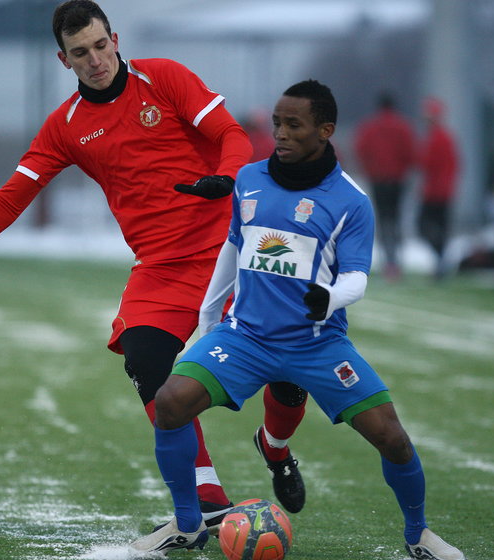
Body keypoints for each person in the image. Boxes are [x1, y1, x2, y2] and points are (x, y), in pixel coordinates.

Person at [0, 0, 307, 531]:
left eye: (101, 46)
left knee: (289, 373)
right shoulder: (66, 128)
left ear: (116, 40)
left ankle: (276, 446)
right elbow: (11, 198)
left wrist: (227, 175)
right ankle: (209, 500)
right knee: (147, 363)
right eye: (81, 53)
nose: (95, 59)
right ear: (65, 61)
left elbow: (231, 134)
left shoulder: (165, 79)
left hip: (234, 252)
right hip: (161, 268)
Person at [129, 80, 465, 560]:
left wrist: (327, 298)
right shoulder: (248, 180)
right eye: (277, 124)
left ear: (325, 130)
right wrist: (209, 317)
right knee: (170, 402)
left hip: (316, 344)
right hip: (245, 337)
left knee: (392, 438)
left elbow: (357, 279)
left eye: (293, 125)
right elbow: (232, 248)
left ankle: (419, 536)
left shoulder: (350, 200)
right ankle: (186, 524)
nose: (281, 134)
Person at [354, 91, 416, 280]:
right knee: (396, 218)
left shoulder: (370, 126)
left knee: (382, 219)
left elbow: (360, 149)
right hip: (397, 180)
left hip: (378, 179)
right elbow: (411, 152)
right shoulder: (403, 126)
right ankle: (396, 259)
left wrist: (369, 169)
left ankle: (388, 262)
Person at [417, 97, 459, 280]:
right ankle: (441, 261)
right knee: (439, 227)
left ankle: (441, 259)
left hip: (435, 191)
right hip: (442, 190)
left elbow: (427, 162)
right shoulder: (443, 137)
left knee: (425, 225)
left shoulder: (437, 138)